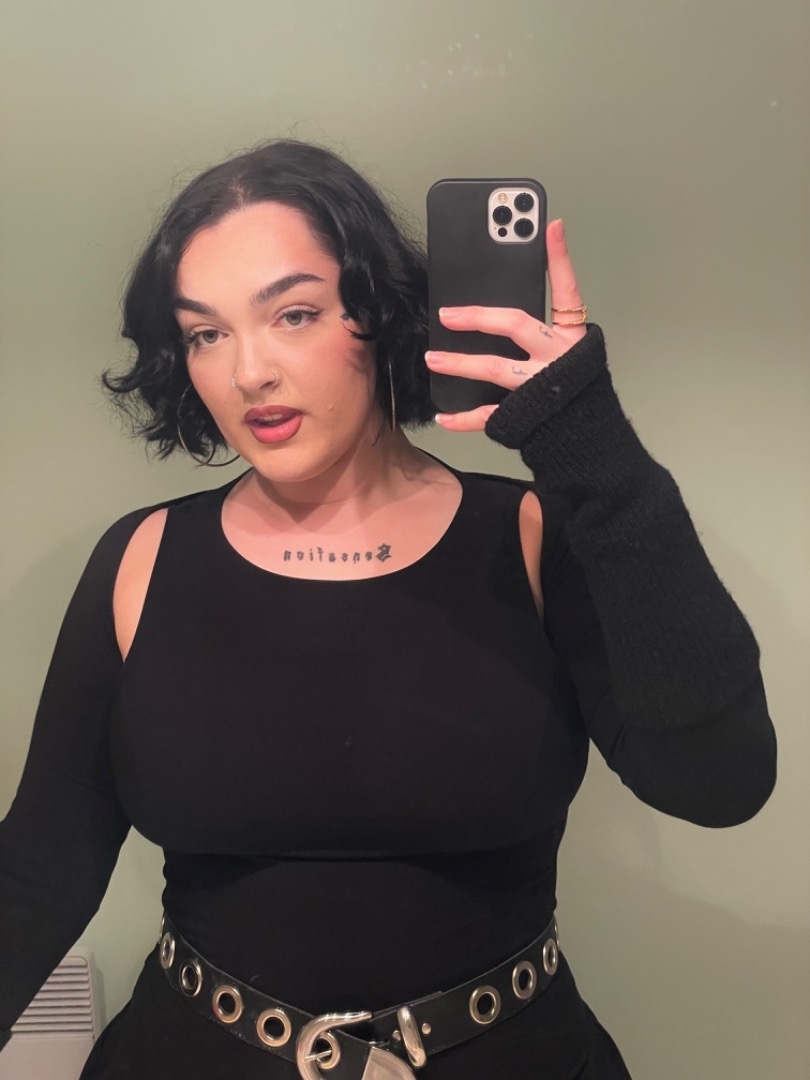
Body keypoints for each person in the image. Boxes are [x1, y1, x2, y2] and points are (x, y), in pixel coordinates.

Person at [0, 140, 776, 1080]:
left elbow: (720, 783)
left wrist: (592, 446)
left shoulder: (533, 538)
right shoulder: (141, 558)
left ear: (377, 313)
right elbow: (40, 865)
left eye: (293, 314)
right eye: (205, 333)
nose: (249, 372)